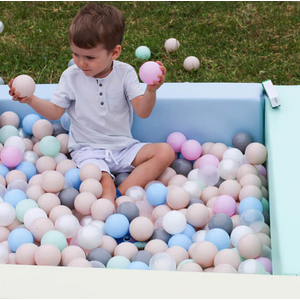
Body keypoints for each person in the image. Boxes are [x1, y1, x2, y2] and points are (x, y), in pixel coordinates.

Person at [8, 2, 175, 203]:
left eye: (89, 57)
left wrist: (150, 91)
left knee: (165, 152)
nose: (81, 62)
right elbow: (54, 112)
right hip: (88, 151)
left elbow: (142, 111)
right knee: (102, 182)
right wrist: (30, 100)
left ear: (114, 53)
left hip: (123, 148)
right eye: (75, 54)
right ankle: (108, 203)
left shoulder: (125, 73)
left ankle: (121, 193)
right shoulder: (71, 77)